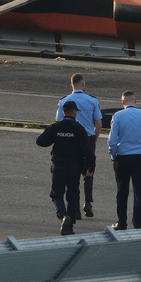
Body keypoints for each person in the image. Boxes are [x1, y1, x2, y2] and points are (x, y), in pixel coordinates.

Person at [36, 100, 94, 235]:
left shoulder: (56, 127)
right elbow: (88, 151)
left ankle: (63, 215)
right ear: (74, 112)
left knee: (56, 194)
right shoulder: (79, 129)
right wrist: (90, 168)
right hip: (74, 166)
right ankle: (70, 225)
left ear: (63, 112)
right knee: (73, 195)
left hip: (58, 165)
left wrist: (54, 136)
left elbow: (40, 141)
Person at [107, 90, 141, 230]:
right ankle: (138, 223)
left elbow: (111, 140)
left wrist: (113, 155)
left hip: (123, 158)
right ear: (136, 101)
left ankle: (121, 222)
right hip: (140, 157)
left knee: (122, 191)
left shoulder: (118, 116)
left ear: (122, 102)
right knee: (139, 191)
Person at [56, 73, 102, 217]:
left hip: (71, 140)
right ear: (83, 84)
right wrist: (94, 139)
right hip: (87, 139)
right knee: (88, 172)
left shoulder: (64, 100)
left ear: (71, 85)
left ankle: (74, 207)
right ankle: (88, 202)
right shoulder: (92, 100)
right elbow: (99, 123)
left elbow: (59, 122)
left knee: (73, 171)